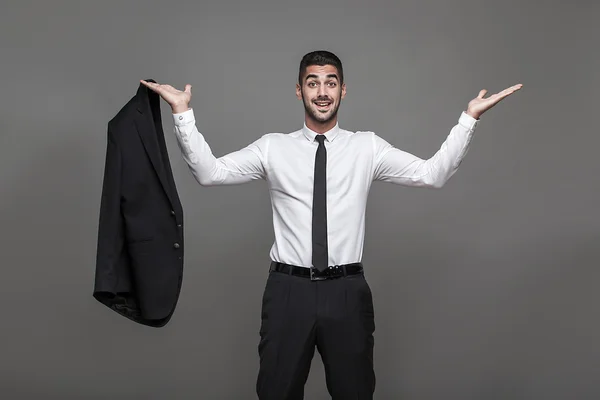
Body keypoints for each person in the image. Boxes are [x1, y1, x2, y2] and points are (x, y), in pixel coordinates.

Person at [140, 50, 522, 400]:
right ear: (299, 90)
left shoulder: (367, 147)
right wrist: (182, 114)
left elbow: (431, 174)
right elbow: (210, 173)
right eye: (312, 82)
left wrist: (468, 119)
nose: (322, 92)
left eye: (330, 82)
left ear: (342, 90)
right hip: (288, 292)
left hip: (347, 292)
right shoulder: (273, 147)